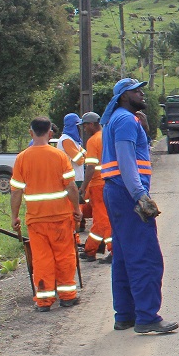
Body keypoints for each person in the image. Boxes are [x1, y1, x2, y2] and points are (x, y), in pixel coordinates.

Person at [100, 78, 178, 335]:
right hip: (127, 193)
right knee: (145, 257)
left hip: (116, 192)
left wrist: (143, 129)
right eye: (136, 90)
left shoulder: (121, 119)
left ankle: (125, 315)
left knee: (123, 255)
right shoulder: (124, 120)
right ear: (124, 96)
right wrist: (139, 195)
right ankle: (146, 316)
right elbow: (126, 160)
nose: (142, 93)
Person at [10, 116, 83, 311]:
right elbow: (71, 187)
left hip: (36, 219)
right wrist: (76, 210)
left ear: (30, 132)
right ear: (51, 133)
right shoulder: (59, 156)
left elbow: (16, 191)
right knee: (64, 256)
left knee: (41, 258)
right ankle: (67, 296)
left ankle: (43, 300)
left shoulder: (22, 158)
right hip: (60, 217)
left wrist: (14, 216)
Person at [79, 112, 113, 264]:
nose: (84, 129)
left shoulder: (93, 141)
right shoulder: (107, 136)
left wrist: (83, 187)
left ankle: (114, 251)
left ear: (92, 124)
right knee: (100, 219)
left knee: (103, 219)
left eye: (85, 125)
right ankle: (90, 250)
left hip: (98, 185)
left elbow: (91, 167)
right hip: (109, 181)